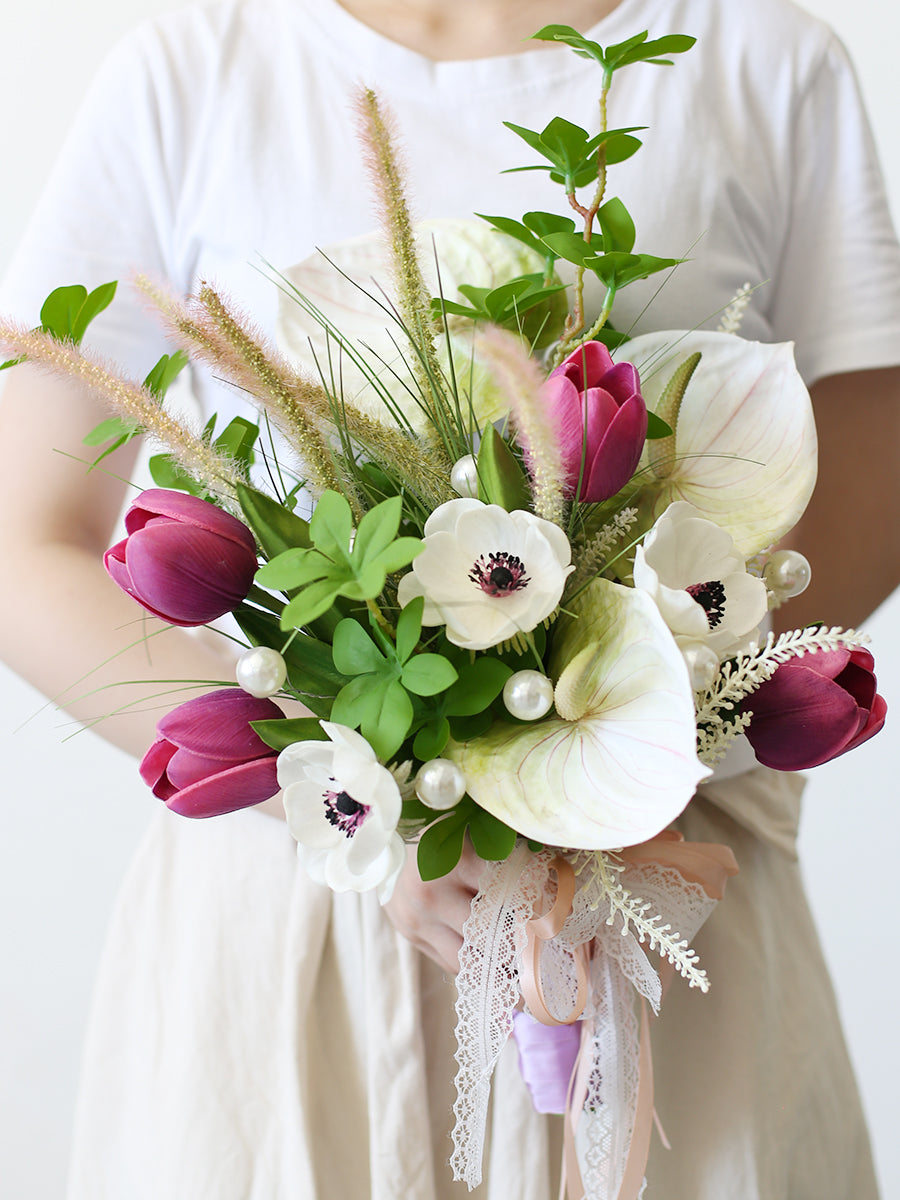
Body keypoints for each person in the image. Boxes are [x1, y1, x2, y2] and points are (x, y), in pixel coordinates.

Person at [1, 0, 899, 1195]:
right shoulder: (197, 70)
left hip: (654, 902)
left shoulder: (762, 61)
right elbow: (25, 544)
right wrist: (368, 803)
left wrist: (615, 760)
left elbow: (859, 508)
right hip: (294, 924)